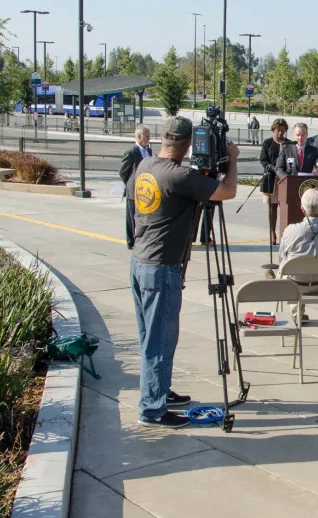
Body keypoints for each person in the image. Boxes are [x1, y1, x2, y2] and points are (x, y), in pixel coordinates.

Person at [129, 117, 240, 428]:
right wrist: (231, 159)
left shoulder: (146, 166)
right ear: (188, 143)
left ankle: (158, 391)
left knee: (150, 338)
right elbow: (228, 191)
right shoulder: (180, 176)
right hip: (160, 267)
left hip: (140, 261)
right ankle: (152, 409)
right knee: (161, 340)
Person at [279, 188, 318, 299]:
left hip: (294, 285)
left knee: (283, 266)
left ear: (302, 209)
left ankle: (296, 312)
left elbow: (282, 255)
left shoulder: (290, 230)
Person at [259, 118, 293, 245]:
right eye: (278, 130)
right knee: (272, 207)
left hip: (284, 178)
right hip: (271, 178)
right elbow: (263, 160)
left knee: (285, 208)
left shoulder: (289, 143)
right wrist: (272, 168)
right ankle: (272, 232)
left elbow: (292, 160)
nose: (280, 133)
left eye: (283, 131)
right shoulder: (267, 143)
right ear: (273, 130)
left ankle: (285, 234)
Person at [119, 125, 152, 250]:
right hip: (133, 189)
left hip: (145, 189)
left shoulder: (148, 151)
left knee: (143, 216)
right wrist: (130, 182)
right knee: (131, 216)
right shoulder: (131, 152)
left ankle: (142, 238)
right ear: (139, 137)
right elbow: (123, 171)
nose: (149, 139)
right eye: (147, 136)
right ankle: (131, 240)